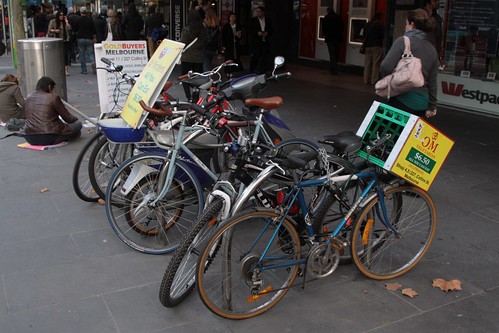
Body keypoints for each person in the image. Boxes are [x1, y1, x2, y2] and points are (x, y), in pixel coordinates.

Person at [380, 9, 439, 118]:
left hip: (402, 99)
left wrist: (390, 82)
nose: (405, 27)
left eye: (406, 23)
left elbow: (385, 66)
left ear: (411, 24)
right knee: (409, 134)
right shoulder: (432, 49)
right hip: (422, 104)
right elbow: (433, 81)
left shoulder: (403, 41)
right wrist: (432, 106)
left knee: (389, 133)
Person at [24, 76, 82, 145]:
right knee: (78, 124)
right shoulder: (53, 97)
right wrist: (75, 119)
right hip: (49, 136)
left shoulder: (28, 97)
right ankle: (64, 137)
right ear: (49, 87)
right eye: (53, 88)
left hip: (30, 137)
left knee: (73, 130)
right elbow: (68, 118)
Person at [180, 10, 207, 100]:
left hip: (187, 58)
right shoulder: (203, 29)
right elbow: (205, 43)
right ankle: (196, 97)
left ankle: (189, 97)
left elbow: (182, 43)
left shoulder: (186, 30)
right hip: (199, 58)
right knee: (198, 79)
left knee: (185, 78)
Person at [249, 6, 273, 74]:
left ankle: (262, 72)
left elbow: (272, 30)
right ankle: (252, 70)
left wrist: (267, 33)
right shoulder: (253, 20)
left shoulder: (268, 20)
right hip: (257, 42)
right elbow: (250, 30)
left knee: (264, 58)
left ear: (263, 12)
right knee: (255, 57)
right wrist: (257, 33)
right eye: (257, 12)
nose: (258, 13)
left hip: (265, 42)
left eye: (259, 12)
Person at [48, 11, 72, 75]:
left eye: (63, 15)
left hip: (64, 40)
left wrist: (66, 22)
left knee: (65, 55)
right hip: (56, 40)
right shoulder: (53, 21)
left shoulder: (64, 22)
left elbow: (69, 28)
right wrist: (55, 30)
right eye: (60, 15)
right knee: (56, 55)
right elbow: (49, 30)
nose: (61, 16)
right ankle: (57, 68)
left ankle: (65, 69)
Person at [362, 12, 384, 85]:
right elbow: (382, 35)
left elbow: (364, 34)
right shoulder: (380, 25)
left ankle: (365, 79)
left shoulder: (368, 24)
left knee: (367, 64)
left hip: (368, 46)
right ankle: (374, 80)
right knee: (376, 63)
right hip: (376, 46)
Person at [73, 6, 96, 74]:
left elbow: (75, 29)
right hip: (89, 38)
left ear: (80, 12)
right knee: (91, 53)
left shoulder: (78, 20)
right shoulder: (90, 20)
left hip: (80, 38)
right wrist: (94, 37)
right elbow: (93, 30)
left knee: (82, 54)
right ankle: (93, 62)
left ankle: (84, 70)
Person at [323, 6, 343, 74]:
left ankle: (332, 68)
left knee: (331, 54)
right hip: (337, 38)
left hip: (329, 39)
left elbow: (323, 28)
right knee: (336, 53)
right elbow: (342, 27)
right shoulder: (338, 17)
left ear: (328, 11)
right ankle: (335, 68)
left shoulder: (326, 17)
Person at [221, 13, 243, 77]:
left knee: (234, 58)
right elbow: (223, 37)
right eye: (231, 17)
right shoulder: (226, 26)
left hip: (235, 45)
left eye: (234, 17)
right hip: (228, 45)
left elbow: (240, 36)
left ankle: (232, 71)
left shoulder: (237, 26)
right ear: (229, 18)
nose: (233, 18)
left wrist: (238, 36)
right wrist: (223, 45)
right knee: (228, 58)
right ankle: (227, 71)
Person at [424, 0, 444, 67]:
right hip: (422, 48)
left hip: (433, 50)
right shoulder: (421, 15)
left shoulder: (437, 18)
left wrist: (439, 56)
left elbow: (439, 37)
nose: (437, 3)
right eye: (435, 1)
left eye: (438, 1)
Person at [203, 7, 221, 72]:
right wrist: (219, 51)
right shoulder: (217, 26)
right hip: (213, 49)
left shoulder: (204, 25)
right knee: (208, 64)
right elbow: (219, 40)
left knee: (205, 67)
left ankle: (207, 80)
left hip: (205, 48)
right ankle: (207, 78)